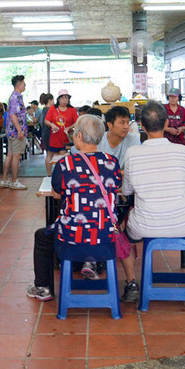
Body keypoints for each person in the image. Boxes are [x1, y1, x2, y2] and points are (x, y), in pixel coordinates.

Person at [119, 100, 185, 304]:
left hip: (144, 226)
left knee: (122, 236)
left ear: (140, 124)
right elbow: (182, 184)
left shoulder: (133, 153)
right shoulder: (182, 151)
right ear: (166, 121)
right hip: (183, 222)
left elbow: (127, 191)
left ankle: (132, 283)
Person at [26, 115, 121, 301]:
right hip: (106, 234)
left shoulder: (65, 164)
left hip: (72, 236)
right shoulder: (112, 162)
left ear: (78, 137)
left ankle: (42, 287)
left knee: (42, 236)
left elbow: (56, 194)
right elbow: (116, 187)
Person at [0, 74, 28, 191]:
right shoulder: (16, 97)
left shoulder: (13, 96)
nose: (25, 86)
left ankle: (5, 180)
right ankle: (14, 181)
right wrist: (20, 130)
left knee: (10, 155)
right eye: (24, 84)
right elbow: (13, 114)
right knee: (16, 156)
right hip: (16, 132)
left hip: (11, 131)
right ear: (19, 84)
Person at [44, 89, 78, 173]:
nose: (65, 100)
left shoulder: (72, 109)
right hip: (53, 137)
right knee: (50, 156)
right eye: (62, 98)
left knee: (62, 158)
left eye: (66, 98)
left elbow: (77, 122)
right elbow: (46, 121)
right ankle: (49, 175)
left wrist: (70, 127)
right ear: (58, 99)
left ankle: (59, 176)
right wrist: (52, 125)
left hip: (65, 139)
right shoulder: (53, 108)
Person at [38, 93, 54, 175]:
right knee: (50, 155)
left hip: (45, 133)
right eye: (53, 100)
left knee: (48, 154)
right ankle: (50, 174)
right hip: (49, 134)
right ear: (50, 100)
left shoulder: (44, 109)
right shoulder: (49, 110)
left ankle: (49, 174)